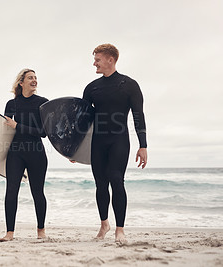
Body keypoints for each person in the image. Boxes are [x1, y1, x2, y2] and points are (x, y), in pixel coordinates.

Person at [80, 44, 148, 243]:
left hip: (119, 139)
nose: (94, 63)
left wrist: (143, 145)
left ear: (111, 59)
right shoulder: (91, 88)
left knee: (116, 180)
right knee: (100, 184)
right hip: (98, 142)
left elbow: (138, 116)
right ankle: (104, 224)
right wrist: (74, 148)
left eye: (98, 59)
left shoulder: (129, 85)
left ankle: (120, 229)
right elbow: (83, 120)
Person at [0, 69, 49, 242]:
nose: (34, 80)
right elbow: (4, 133)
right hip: (15, 152)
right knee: (11, 191)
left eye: (35, 77)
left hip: (36, 152)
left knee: (38, 192)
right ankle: (10, 233)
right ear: (21, 82)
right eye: (30, 78)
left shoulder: (43, 103)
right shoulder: (11, 104)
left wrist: (18, 126)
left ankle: (41, 230)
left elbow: (43, 132)